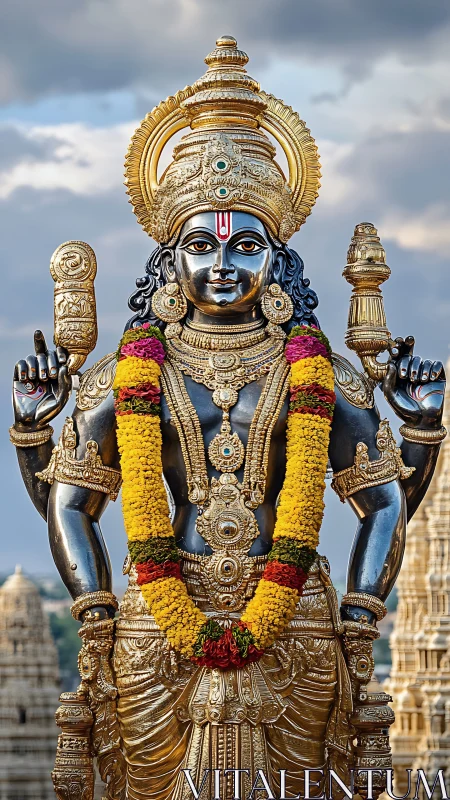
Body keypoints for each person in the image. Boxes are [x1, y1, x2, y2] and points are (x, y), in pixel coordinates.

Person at [10, 36, 446, 800]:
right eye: (200, 247)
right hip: (154, 628)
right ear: (167, 260)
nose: (222, 266)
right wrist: (34, 435)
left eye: (247, 246)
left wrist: (419, 435)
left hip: (297, 633)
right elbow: (70, 506)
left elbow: (385, 507)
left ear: (277, 261)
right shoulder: (127, 375)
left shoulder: (318, 375)